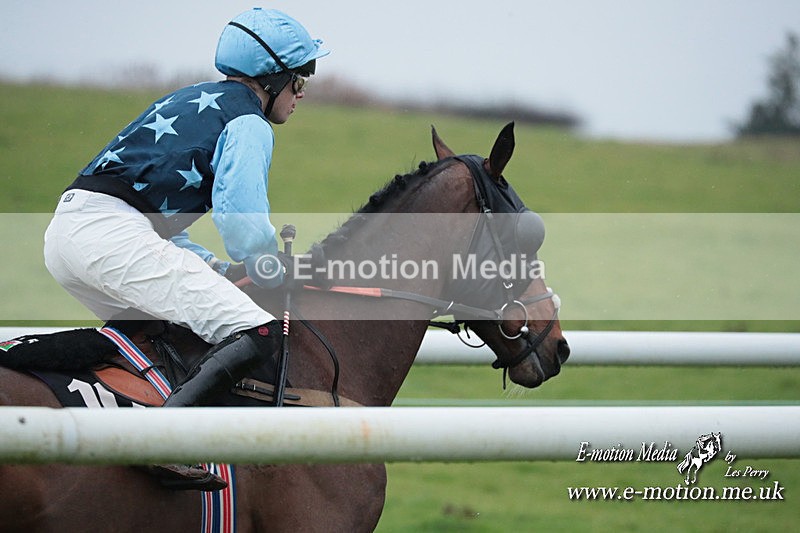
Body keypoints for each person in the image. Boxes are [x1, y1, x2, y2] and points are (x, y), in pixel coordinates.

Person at [42, 7, 329, 490]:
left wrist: (213, 267)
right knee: (256, 330)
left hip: (70, 234)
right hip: (112, 237)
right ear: (273, 77)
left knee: (167, 334)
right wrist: (268, 265)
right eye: (300, 79)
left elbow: (152, 216)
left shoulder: (190, 97)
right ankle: (160, 444)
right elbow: (243, 229)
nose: (302, 92)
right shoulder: (248, 122)